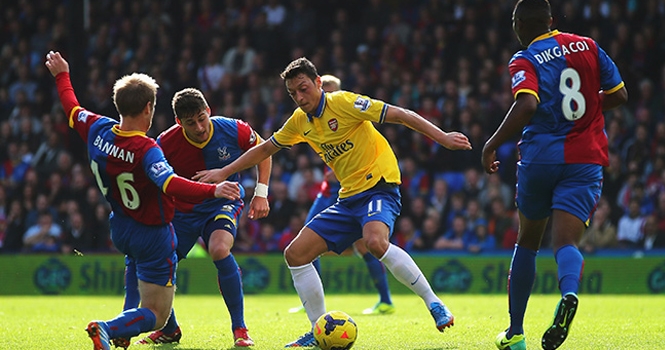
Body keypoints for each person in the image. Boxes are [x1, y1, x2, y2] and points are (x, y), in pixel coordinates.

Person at [194, 57, 471, 347]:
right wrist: (224, 172)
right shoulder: (300, 121)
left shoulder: (345, 103)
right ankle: (317, 331)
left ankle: (434, 303)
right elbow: (265, 148)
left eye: (304, 89)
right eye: (293, 93)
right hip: (348, 197)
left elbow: (399, 114)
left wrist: (443, 137)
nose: (300, 98)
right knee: (295, 254)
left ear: (318, 83)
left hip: (379, 186)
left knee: (375, 242)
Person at [45, 51, 240, 350]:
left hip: (120, 226)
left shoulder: (97, 129)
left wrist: (62, 76)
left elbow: (72, 107)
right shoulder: (146, 148)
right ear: (149, 108)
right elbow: (171, 184)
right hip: (152, 232)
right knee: (157, 314)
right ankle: (108, 328)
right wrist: (213, 190)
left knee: (136, 277)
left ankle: (126, 332)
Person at [480, 1, 628, 350]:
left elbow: (527, 104)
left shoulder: (525, 59)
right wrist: (588, 110)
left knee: (528, 242)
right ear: (550, 20)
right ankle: (570, 293)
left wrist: (491, 144)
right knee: (566, 242)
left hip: (541, 158)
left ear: (518, 25)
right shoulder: (589, 46)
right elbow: (620, 94)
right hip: (586, 158)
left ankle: (515, 333)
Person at [121, 87, 271, 348]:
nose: (200, 127)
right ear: (179, 122)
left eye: (202, 118)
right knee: (157, 262)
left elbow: (264, 151)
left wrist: (261, 193)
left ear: (209, 111)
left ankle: (240, 329)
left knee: (219, 248)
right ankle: (169, 329)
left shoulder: (234, 129)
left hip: (221, 203)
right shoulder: (165, 142)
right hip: (182, 211)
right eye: (191, 123)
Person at [288, 74, 396, 316]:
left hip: (356, 188)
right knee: (306, 239)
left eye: (330, 88)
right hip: (329, 192)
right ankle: (312, 299)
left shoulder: (345, 109)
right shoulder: (311, 119)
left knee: (365, 245)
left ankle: (386, 299)